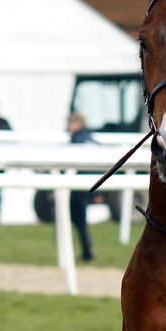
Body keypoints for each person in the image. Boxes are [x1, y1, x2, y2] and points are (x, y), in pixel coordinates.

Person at [68, 111, 97, 263]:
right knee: (81, 220)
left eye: (71, 123)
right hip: (94, 183)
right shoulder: (91, 138)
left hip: (80, 186)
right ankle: (88, 250)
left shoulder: (77, 139)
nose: (68, 126)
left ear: (78, 123)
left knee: (79, 220)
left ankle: (88, 251)